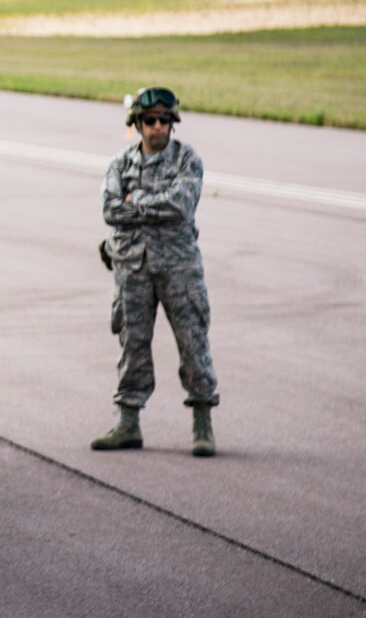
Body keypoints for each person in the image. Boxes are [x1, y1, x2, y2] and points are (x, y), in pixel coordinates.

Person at [91, 87, 219, 457]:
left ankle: (202, 425)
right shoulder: (120, 164)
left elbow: (180, 205)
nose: (158, 127)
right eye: (150, 121)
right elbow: (110, 210)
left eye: (165, 120)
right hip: (133, 268)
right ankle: (128, 423)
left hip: (179, 270)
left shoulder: (187, 161)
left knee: (193, 344)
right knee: (132, 345)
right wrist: (151, 206)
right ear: (138, 123)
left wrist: (138, 201)